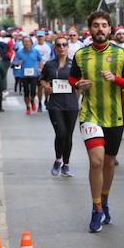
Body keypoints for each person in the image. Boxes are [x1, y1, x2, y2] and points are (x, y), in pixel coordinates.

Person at [70, 10, 124, 233]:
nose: (100, 29)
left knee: (108, 163)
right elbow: (72, 78)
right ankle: (96, 207)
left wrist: (116, 79)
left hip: (115, 117)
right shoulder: (81, 54)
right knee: (96, 161)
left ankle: (105, 200)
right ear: (90, 29)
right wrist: (78, 84)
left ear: (110, 29)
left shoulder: (121, 54)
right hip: (90, 115)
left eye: (104, 25)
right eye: (96, 25)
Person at [41, 37, 79, 178]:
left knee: (68, 136)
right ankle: (58, 160)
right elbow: (43, 78)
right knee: (61, 133)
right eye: (59, 45)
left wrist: (79, 91)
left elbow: (79, 82)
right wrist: (46, 87)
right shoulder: (50, 64)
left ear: (68, 47)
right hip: (55, 104)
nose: (62, 47)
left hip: (71, 105)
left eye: (64, 45)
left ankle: (66, 165)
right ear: (55, 48)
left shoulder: (74, 65)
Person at [13, 35, 43, 114]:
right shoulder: (19, 52)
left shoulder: (35, 51)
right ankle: (28, 107)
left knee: (33, 91)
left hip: (34, 74)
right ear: (22, 43)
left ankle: (32, 101)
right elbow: (15, 62)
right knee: (26, 92)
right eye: (25, 41)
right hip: (23, 74)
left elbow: (40, 60)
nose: (27, 43)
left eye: (28, 41)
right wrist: (17, 63)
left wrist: (40, 68)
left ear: (31, 42)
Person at [33, 31, 52, 112]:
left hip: (47, 68)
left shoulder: (49, 46)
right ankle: (40, 103)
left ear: (45, 37)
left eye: (42, 36)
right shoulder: (34, 47)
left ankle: (46, 100)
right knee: (39, 87)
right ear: (37, 37)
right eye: (39, 36)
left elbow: (53, 55)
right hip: (38, 69)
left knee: (47, 86)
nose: (40, 38)